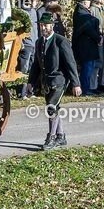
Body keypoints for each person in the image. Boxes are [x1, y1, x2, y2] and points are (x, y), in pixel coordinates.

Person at [29, 12, 81, 149]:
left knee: (51, 108)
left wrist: (76, 84)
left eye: (46, 25)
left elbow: (71, 63)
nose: (43, 28)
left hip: (60, 80)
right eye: (41, 25)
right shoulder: (39, 42)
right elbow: (36, 65)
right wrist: (30, 82)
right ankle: (60, 136)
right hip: (46, 82)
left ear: (52, 25)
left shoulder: (61, 41)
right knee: (55, 108)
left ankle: (51, 138)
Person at [72, 0, 102, 95]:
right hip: (85, 45)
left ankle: (87, 87)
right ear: (84, 2)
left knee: (89, 67)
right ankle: (85, 89)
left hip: (88, 44)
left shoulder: (83, 11)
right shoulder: (81, 13)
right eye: (88, 1)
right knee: (87, 68)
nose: (89, 3)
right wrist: (98, 38)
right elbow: (88, 28)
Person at [18, 0, 40, 98]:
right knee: (24, 68)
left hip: (34, 43)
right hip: (26, 44)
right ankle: (21, 93)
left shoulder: (34, 11)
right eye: (35, 0)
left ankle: (30, 91)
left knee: (32, 69)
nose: (37, 3)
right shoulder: (23, 12)